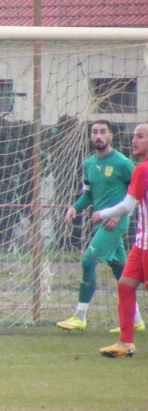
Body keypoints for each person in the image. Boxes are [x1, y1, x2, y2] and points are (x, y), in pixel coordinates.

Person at [58, 119, 144, 332]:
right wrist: (74, 208)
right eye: (95, 132)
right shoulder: (89, 164)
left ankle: (80, 316)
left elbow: (137, 193)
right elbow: (88, 195)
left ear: (110, 135)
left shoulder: (123, 163)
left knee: (88, 262)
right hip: (101, 223)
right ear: (91, 136)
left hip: (114, 223)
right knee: (122, 275)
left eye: (103, 132)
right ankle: (136, 321)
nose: (98, 135)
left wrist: (120, 216)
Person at [93, 122, 148, 358]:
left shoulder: (141, 170)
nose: (134, 140)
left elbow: (127, 205)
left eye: (140, 136)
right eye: (134, 136)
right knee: (125, 285)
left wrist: (102, 213)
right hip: (141, 242)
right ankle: (125, 342)